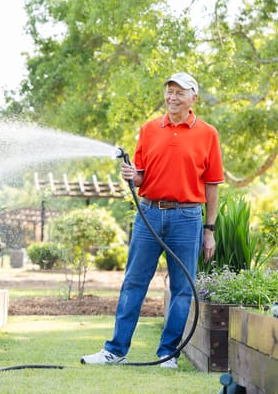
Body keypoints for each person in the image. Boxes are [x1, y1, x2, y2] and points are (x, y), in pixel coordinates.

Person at [81, 72, 224, 369]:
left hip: (187, 217)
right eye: (169, 91)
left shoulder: (208, 134)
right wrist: (133, 176)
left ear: (193, 98)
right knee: (134, 282)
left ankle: (167, 353)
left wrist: (209, 230)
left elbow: (212, 184)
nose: (172, 97)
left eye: (179, 92)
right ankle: (115, 350)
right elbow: (142, 173)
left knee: (183, 288)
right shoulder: (148, 129)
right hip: (149, 214)